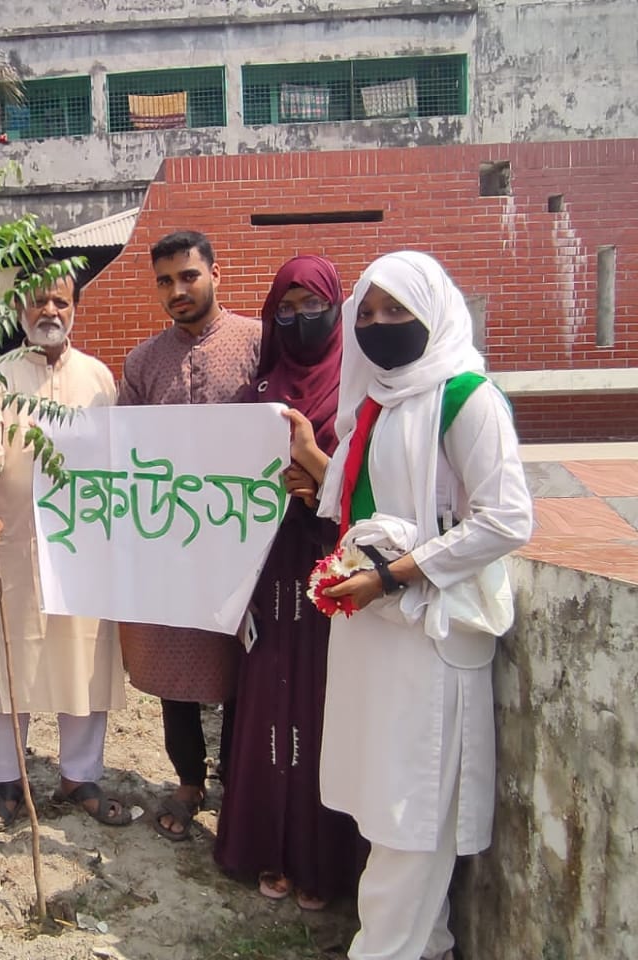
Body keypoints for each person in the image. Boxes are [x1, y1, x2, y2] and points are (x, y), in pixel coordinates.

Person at [284, 251, 533, 960]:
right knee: (381, 798)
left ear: (435, 313)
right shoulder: (379, 402)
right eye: (368, 313)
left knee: (409, 809)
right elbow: (378, 501)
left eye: (398, 312)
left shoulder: (464, 397)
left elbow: (507, 520)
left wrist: (393, 576)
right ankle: (424, 946)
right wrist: (315, 459)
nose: (380, 326)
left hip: (426, 631)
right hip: (377, 629)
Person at [213, 256, 362, 909]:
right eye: (287, 305)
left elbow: (371, 492)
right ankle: (267, 849)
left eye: (313, 303)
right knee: (267, 709)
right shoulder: (259, 391)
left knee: (324, 713)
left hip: (334, 580)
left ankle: (321, 861)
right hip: (268, 576)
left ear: (337, 309)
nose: (300, 317)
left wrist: (316, 472)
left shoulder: (359, 394)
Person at [0, 272, 130, 832]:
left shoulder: (99, 378)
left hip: (85, 542)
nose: (50, 310)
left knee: (84, 653)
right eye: (39, 300)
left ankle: (79, 775)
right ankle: (7, 781)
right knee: (14, 653)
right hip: (14, 543)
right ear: (19, 307)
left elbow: (119, 455)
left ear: (75, 308)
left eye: (61, 300)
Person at [117, 230, 261, 841]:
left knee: (243, 663)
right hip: (171, 541)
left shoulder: (258, 342)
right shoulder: (143, 361)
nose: (177, 290)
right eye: (165, 281)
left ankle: (241, 786)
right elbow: (121, 448)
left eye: (188, 277)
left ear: (215, 274)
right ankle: (188, 780)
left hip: (246, 541)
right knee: (176, 662)